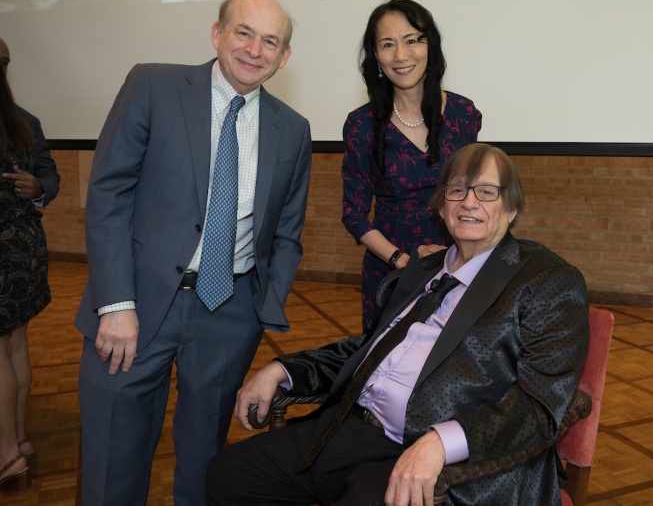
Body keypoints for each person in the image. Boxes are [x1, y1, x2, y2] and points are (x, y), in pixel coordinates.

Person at [207, 143, 589, 506]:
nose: (469, 202)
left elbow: (539, 406)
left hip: (442, 461)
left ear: (511, 208)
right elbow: (369, 348)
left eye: (487, 192)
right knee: (226, 474)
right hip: (350, 428)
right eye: (457, 190)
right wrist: (283, 370)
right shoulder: (421, 269)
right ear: (440, 207)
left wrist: (441, 443)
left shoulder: (546, 280)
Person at [73, 0, 312, 506]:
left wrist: (260, 307)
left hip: (230, 312)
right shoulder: (153, 86)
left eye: (270, 41)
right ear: (216, 34)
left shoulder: (293, 130)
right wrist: (115, 303)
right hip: (134, 305)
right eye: (243, 33)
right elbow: (108, 192)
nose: (254, 49)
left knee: (207, 465)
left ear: (284, 56)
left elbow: (288, 230)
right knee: (113, 454)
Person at [342, 0, 482, 332]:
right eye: (387, 44)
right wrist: (403, 263)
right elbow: (354, 215)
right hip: (391, 271)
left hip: (460, 264)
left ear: (429, 46)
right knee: (383, 371)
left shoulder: (464, 114)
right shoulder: (362, 124)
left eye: (411, 40)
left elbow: (476, 197)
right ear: (376, 55)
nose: (401, 55)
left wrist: (462, 258)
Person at [0, 36, 60, 494]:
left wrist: (37, 183)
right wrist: (38, 182)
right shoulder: (24, 121)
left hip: (9, 249)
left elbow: (49, 178)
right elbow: (49, 177)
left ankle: (5, 458)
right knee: (15, 346)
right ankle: (19, 441)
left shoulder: (26, 121)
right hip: (24, 248)